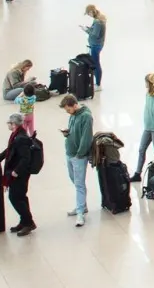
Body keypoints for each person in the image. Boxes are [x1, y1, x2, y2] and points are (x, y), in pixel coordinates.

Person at [0, 112, 38, 235]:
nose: (8, 125)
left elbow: (26, 158)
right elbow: (10, 150)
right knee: (21, 197)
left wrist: (16, 171)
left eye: (9, 123)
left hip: (19, 175)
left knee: (15, 198)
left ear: (14, 124)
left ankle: (29, 222)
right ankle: (24, 220)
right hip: (17, 173)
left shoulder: (21, 138)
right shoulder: (17, 135)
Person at [60, 94, 93, 226]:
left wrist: (80, 154)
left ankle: (80, 212)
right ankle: (82, 205)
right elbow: (74, 130)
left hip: (78, 156)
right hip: (70, 152)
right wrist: (67, 133)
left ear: (74, 105)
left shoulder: (86, 117)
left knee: (79, 184)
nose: (68, 113)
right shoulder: (73, 115)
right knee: (74, 179)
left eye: (68, 110)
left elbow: (86, 137)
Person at [81, 5, 106, 90]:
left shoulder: (98, 22)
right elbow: (95, 31)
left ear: (91, 12)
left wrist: (86, 30)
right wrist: (89, 28)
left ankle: (98, 84)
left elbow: (95, 34)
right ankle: (97, 83)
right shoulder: (99, 19)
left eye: (88, 14)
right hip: (97, 44)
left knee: (96, 64)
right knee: (95, 63)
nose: (89, 16)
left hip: (96, 45)